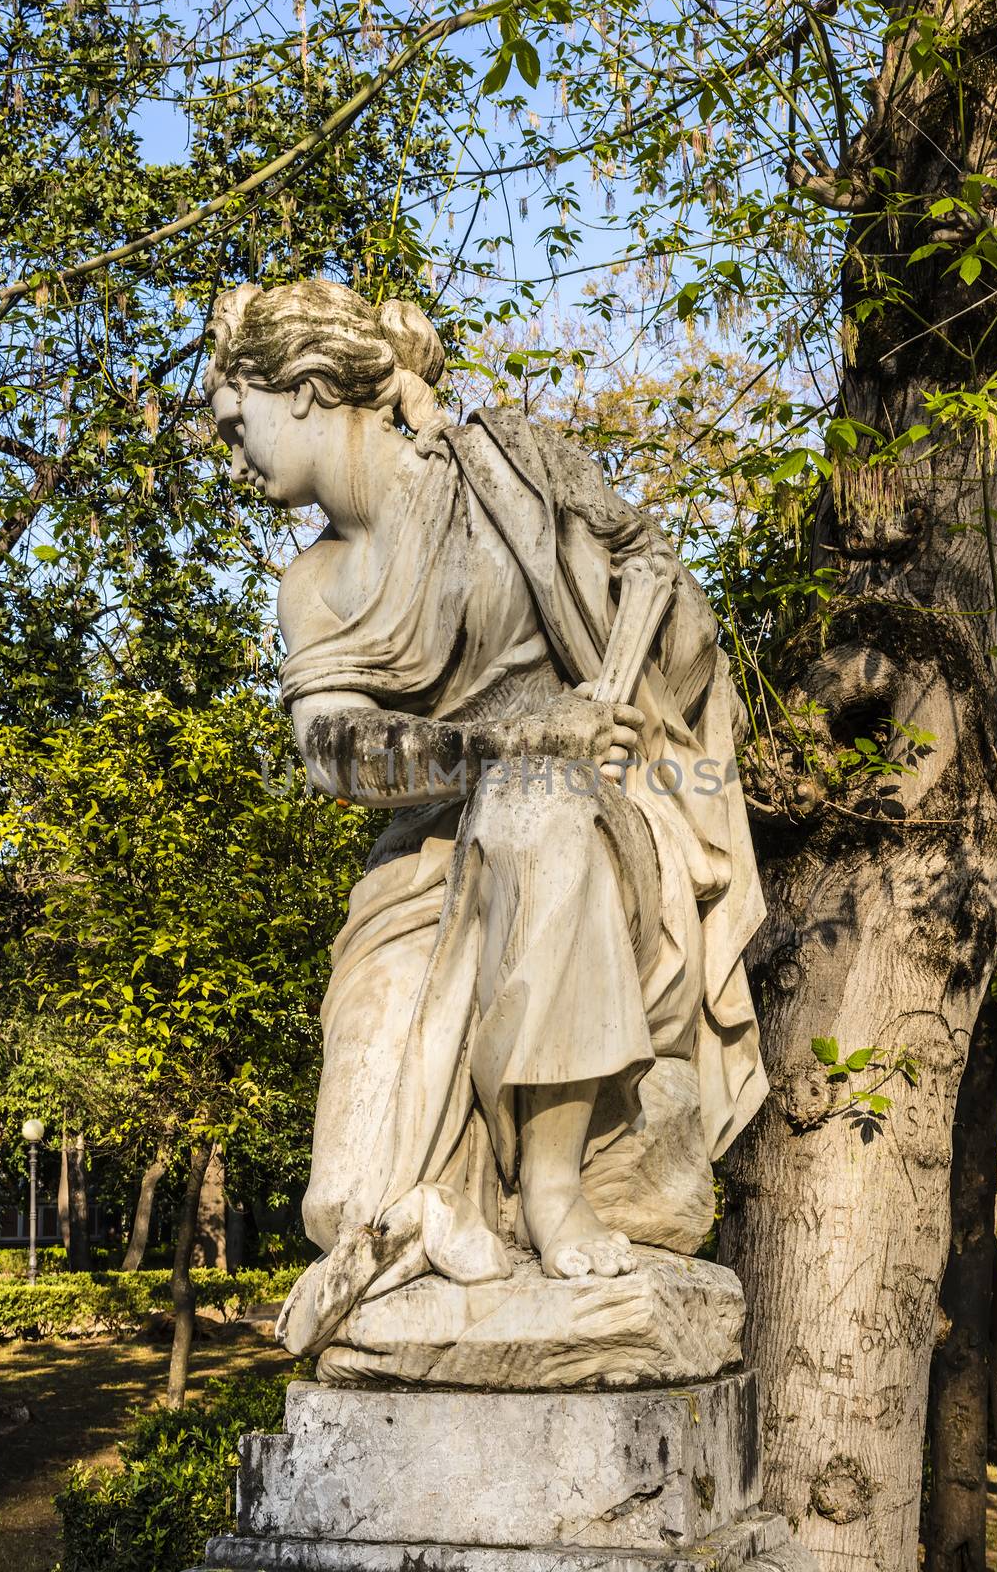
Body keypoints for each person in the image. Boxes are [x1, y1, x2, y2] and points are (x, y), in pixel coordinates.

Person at [205, 278, 767, 1356]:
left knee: (534, 808)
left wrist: (639, 635)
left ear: (310, 390)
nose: (235, 460)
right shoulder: (311, 587)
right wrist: (501, 744)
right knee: (346, 1203)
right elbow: (332, 751)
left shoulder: (499, 469)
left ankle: (554, 1183)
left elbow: (656, 596)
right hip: (424, 868)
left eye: (240, 426)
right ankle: (442, 1212)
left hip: (600, 828)